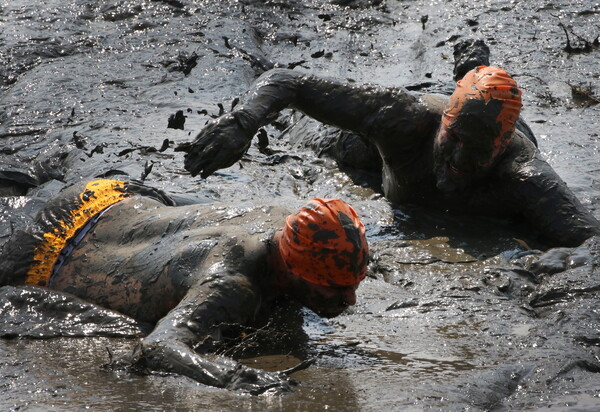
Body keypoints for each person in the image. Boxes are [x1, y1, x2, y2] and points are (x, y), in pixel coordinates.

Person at [0, 179, 369, 394]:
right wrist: (233, 376)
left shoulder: (284, 220)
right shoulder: (232, 284)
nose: (349, 300)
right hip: (46, 252)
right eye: (333, 289)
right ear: (291, 269)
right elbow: (158, 347)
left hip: (113, 192)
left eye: (354, 284)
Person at [176, 65, 600, 247]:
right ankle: (467, 68)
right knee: (309, 138)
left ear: (502, 149)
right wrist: (242, 124)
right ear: (443, 125)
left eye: (478, 152)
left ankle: (473, 66)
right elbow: (286, 82)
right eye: (453, 139)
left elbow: (589, 244)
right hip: (374, 153)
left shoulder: (526, 178)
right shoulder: (405, 120)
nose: (459, 157)